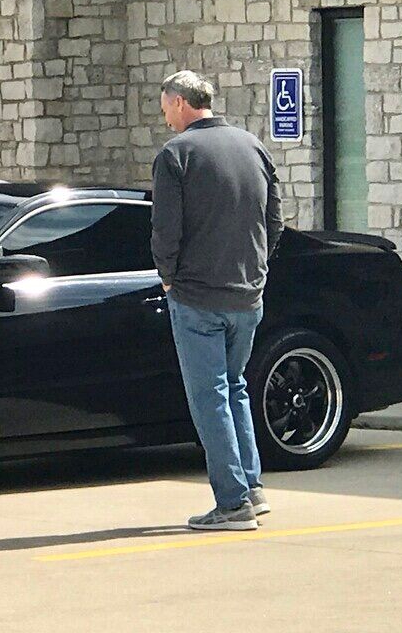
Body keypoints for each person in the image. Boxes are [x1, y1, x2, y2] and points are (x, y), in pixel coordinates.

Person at [151, 71, 283, 532]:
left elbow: (165, 230)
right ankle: (252, 487)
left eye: (165, 105)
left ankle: (232, 503)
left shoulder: (176, 154)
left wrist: (167, 279)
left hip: (197, 297)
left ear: (182, 103)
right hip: (247, 295)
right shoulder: (252, 146)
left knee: (210, 397)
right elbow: (275, 220)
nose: (163, 115)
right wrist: (258, 271)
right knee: (235, 386)